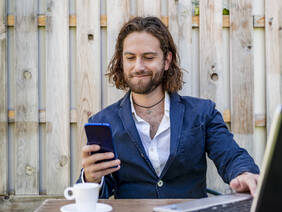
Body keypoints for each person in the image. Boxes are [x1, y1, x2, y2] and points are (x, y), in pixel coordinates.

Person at [77, 16, 259, 199]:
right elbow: (95, 194)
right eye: (130, 58)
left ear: (166, 60)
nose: (138, 66)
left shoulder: (203, 113)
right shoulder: (102, 122)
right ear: (121, 61)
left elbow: (231, 155)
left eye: (148, 57)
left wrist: (244, 174)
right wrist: (90, 179)